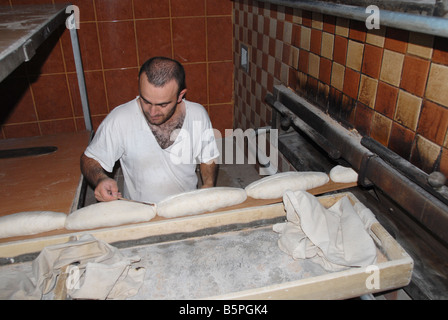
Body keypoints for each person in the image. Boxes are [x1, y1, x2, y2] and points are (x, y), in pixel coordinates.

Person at [80, 57, 220, 203]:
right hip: (140, 211)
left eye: (163, 104)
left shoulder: (197, 114)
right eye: (146, 101)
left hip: (185, 206)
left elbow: (208, 157)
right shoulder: (121, 119)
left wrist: (209, 184)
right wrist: (101, 179)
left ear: (180, 95)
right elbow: (90, 159)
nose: (152, 112)